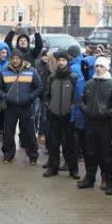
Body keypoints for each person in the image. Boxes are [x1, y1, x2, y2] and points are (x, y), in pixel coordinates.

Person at [78, 56, 112, 195]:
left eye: (101, 66)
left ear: (106, 68)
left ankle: (110, 182)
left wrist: (108, 112)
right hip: (90, 123)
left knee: (106, 154)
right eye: (97, 66)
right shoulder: (89, 83)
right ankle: (90, 178)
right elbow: (82, 100)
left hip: (105, 124)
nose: (98, 69)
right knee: (90, 152)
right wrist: (86, 110)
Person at [0, 49, 43, 165]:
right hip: (10, 107)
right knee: (9, 132)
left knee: (30, 132)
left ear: (21, 59)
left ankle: (33, 156)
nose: (15, 61)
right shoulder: (4, 72)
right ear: (10, 59)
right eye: (13, 58)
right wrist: (5, 96)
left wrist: (30, 97)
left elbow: (39, 87)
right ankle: (8, 155)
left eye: (17, 58)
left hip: (26, 106)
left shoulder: (31, 71)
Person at [43, 50, 80, 179]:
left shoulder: (73, 77)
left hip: (68, 116)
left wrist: (72, 109)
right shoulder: (52, 78)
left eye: (63, 60)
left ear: (67, 62)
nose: (61, 62)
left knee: (70, 144)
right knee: (53, 143)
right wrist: (49, 106)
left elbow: (76, 97)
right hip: (53, 115)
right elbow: (46, 95)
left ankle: (73, 170)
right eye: (59, 60)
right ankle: (53, 168)